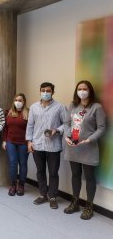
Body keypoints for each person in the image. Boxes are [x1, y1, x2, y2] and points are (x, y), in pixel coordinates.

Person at [63, 80, 106, 220]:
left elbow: (101, 127)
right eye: (79, 88)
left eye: (84, 88)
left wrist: (90, 139)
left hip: (88, 148)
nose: (82, 91)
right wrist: (67, 136)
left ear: (90, 91)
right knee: (75, 175)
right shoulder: (72, 106)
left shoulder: (96, 107)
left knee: (89, 177)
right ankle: (75, 202)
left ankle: (89, 207)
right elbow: (66, 123)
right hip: (73, 147)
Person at [26, 82, 67, 209]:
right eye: (43, 90)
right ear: (40, 91)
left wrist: (57, 130)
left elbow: (66, 124)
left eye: (48, 90)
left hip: (53, 146)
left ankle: (53, 196)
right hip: (37, 144)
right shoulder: (33, 107)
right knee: (40, 171)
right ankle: (43, 194)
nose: (45, 92)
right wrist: (29, 141)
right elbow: (30, 125)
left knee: (53, 172)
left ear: (53, 92)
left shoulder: (60, 107)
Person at [3, 93, 29, 196]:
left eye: (20, 100)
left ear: (24, 102)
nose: (18, 102)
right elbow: (5, 128)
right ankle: (13, 184)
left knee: (23, 164)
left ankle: (21, 185)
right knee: (13, 163)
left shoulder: (28, 113)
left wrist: (30, 142)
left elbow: (31, 129)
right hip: (11, 142)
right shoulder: (9, 113)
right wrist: (4, 140)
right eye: (16, 100)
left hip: (24, 143)